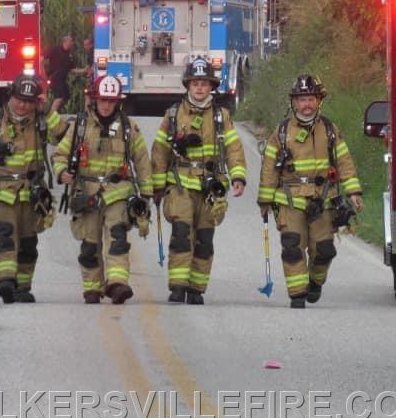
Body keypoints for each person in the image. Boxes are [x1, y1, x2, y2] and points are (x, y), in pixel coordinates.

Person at [0, 74, 68, 304]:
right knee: (5, 236)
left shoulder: (40, 122)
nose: (23, 105)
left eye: (28, 101)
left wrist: (47, 110)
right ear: (11, 97)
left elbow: (63, 136)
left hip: (32, 194)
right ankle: (6, 281)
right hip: (1, 192)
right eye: (19, 99)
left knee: (28, 244)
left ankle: (23, 287)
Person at [257, 74, 364, 308]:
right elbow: (269, 167)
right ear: (294, 102)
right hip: (290, 201)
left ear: (319, 101)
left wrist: (353, 192)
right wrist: (265, 199)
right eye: (302, 99)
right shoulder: (282, 132)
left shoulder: (330, 129)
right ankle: (297, 295)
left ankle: (315, 282)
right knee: (293, 246)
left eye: (311, 99)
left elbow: (344, 160)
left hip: (323, 200)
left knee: (324, 250)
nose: (307, 104)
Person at [151, 57, 247, 305]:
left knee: (204, 239)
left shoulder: (221, 116)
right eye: (195, 83)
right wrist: (157, 187)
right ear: (188, 85)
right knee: (182, 234)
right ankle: (177, 286)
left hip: (210, 187)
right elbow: (159, 151)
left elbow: (234, 148)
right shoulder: (173, 114)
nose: (200, 88)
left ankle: (196, 289)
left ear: (211, 87)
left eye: (204, 84)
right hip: (180, 185)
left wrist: (238, 176)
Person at [52, 75, 153, 304]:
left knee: (117, 238)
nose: (106, 105)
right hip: (86, 193)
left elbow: (142, 161)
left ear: (118, 102)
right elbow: (60, 154)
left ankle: (117, 284)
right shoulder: (79, 127)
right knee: (90, 244)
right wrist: (61, 172)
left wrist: (146, 194)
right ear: (94, 100)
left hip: (118, 192)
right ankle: (92, 287)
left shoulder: (128, 128)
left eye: (111, 101)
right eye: (102, 100)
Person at [43, 35, 90, 113]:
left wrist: (84, 70)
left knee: (66, 97)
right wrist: (42, 72)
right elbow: (42, 58)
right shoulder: (55, 49)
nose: (72, 43)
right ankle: (51, 116)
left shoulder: (69, 55)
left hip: (62, 80)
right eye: (71, 41)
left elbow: (73, 70)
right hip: (55, 78)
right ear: (65, 42)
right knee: (59, 97)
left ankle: (56, 112)